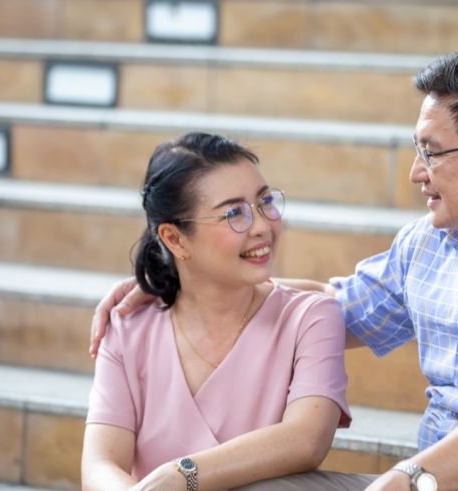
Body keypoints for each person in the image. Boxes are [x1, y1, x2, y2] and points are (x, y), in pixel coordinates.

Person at [90, 49, 458, 491]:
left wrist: (404, 482)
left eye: (432, 152)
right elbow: (332, 306)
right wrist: (180, 282)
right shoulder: (430, 243)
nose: (416, 172)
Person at [81, 132, 351, 491]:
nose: (262, 226)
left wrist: (181, 476)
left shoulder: (312, 317)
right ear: (175, 239)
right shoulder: (129, 327)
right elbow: (100, 464)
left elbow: (306, 440)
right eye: (234, 213)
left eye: (265, 201)